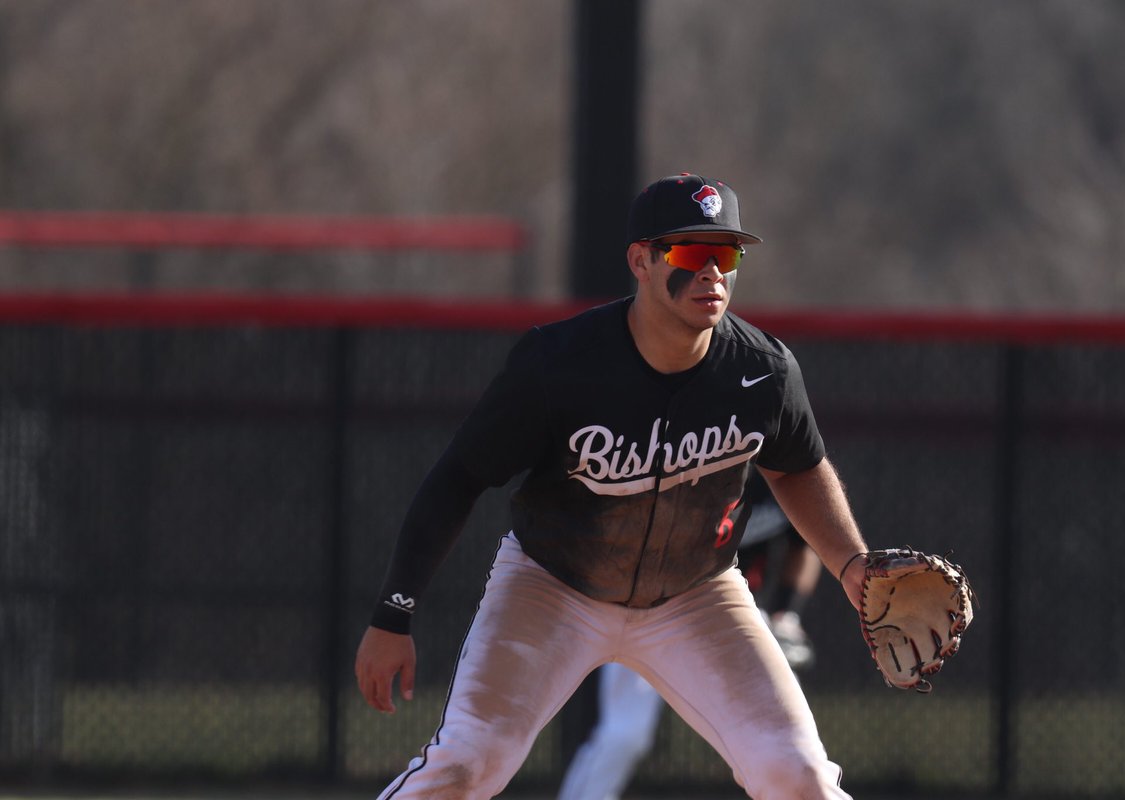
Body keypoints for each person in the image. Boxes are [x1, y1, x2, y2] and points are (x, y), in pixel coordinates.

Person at [355, 172, 872, 800]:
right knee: (468, 764)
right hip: (552, 588)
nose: (714, 272)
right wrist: (392, 616)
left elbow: (798, 467)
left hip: (697, 594)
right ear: (642, 261)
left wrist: (852, 566)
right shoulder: (559, 363)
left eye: (727, 254)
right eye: (690, 252)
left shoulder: (761, 370)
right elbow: (457, 479)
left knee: (800, 775)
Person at [556, 473, 821, 800]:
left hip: (733, 618)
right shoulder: (694, 460)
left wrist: (786, 613)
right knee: (626, 735)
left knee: (783, 736)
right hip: (652, 607)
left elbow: (805, 544)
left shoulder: (778, 470)